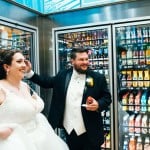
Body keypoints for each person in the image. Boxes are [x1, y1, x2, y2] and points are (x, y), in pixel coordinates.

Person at [25, 47, 112, 150]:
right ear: (72, 61)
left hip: (90, 131)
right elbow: (46, 82)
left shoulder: (98, 77)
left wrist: (98, 104)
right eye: (81, 59)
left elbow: (107, 98)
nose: (85, 62)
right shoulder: (63, 75)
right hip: (69, 130)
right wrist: (30, 73)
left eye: (86, 59)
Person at [0, 49, 69, 150]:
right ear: (7, 67)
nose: (24, 65)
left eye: (24, 61)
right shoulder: (1, 89)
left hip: (42, 140)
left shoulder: (25, 86)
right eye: (19, 61)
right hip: (15, 143)